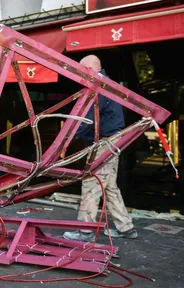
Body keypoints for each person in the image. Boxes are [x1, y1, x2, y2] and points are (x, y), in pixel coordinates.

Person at [63, 55, 137, 241]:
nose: (79, 75)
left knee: (91, 183)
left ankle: (85, 231)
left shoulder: (99, 88)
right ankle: (126, 228)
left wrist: (66, 140)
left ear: (89, 68)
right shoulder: (108, 85)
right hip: (112, 142)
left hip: (105, 143)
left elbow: (86, 119)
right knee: (109, 186)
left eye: (81, 70)